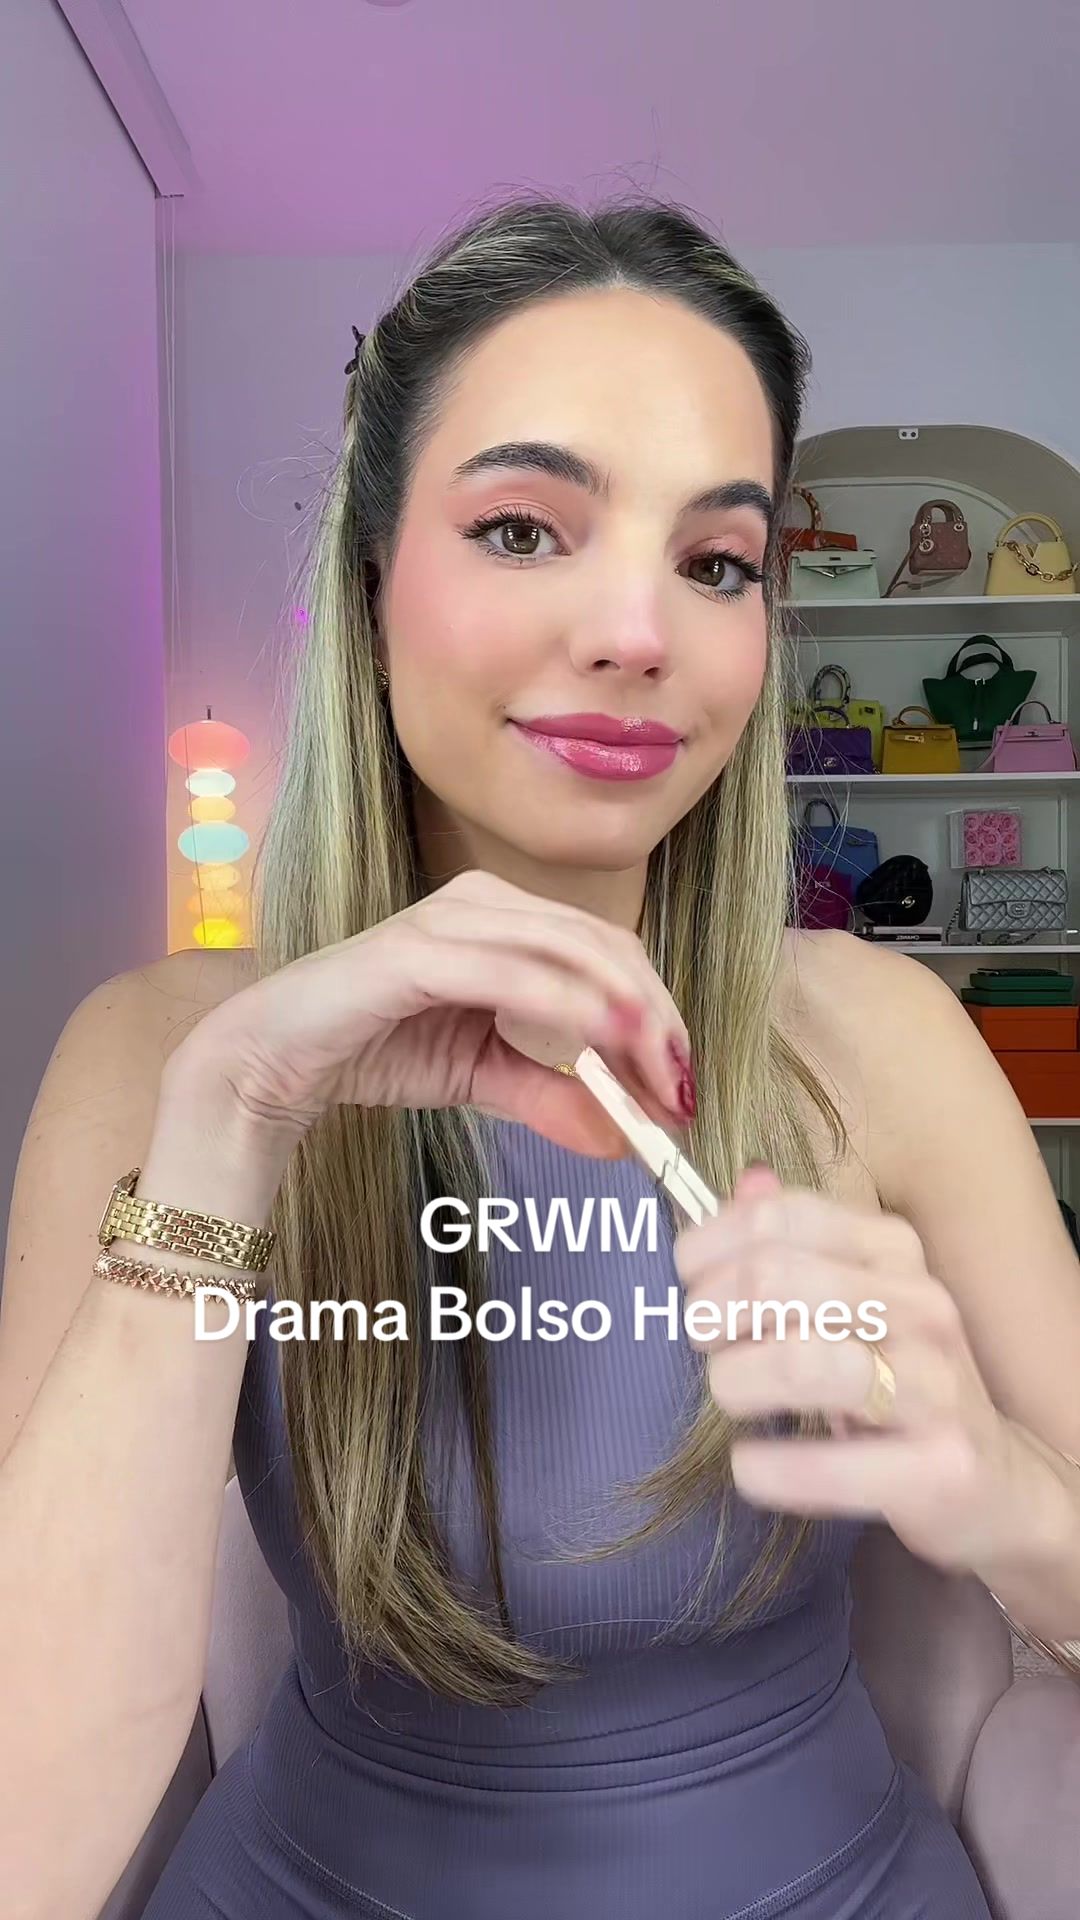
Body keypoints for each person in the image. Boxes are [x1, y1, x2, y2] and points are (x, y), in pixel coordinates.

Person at [3, 195, 1079, 1920]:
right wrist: (232, 1127)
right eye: (523, 529)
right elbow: (27, 1849)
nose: (640, 630)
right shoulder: (161, 1055)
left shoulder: (883, 1039)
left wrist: (1007, 1493)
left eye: (718, 563)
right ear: (373, 577)